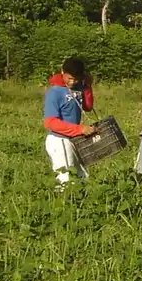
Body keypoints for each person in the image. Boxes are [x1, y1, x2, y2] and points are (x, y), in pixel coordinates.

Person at [43, 60, 97, 190]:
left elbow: (88, 107)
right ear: (62, 72)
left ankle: (80, 205)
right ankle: (62, 206)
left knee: (82, 176)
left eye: (76, 79)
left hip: (74, 138)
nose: (72, 82)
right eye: (70, 78)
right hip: (59, 139)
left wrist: (87, 86)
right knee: (65, 178)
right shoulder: (55, 92)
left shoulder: (79, 87)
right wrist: (80, 129)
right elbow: (50, 122)